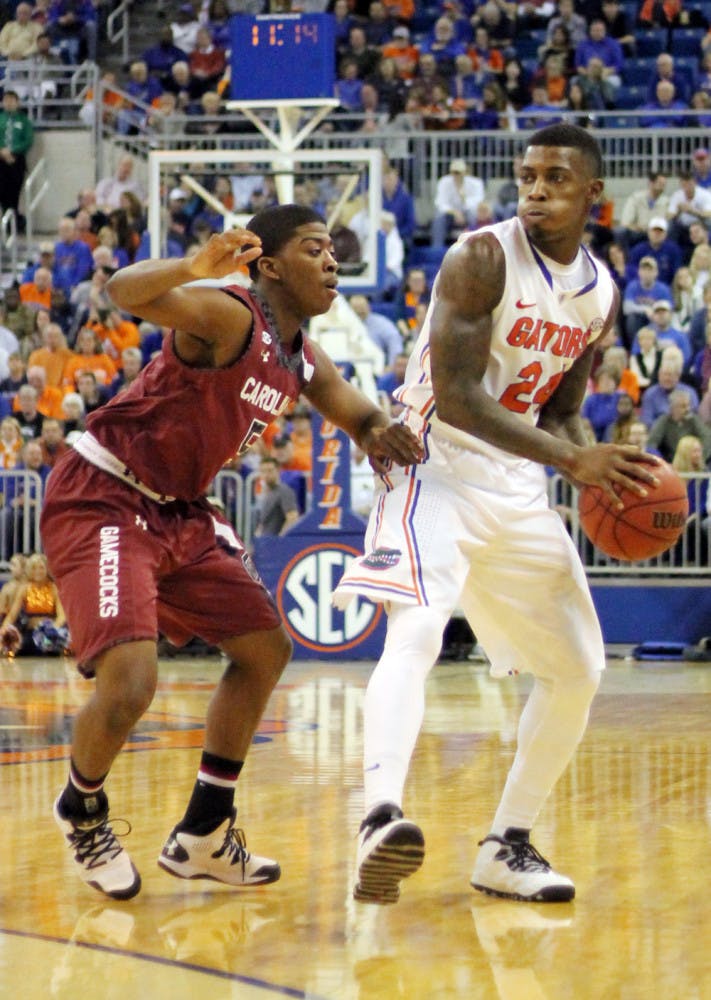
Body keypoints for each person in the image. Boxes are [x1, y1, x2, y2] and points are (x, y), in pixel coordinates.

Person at [34, 204, 423, 902]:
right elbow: (124, 290)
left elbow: (356, 411)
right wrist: (191, 265)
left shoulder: (301, 355)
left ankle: (204, 832)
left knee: (266, 648)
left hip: (180, 511)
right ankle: (81, 808)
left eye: (333, 249)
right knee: (129, 685)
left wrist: (389, 434)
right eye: (313, 249)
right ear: (268, 265)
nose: (332, 261)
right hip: (106, 495)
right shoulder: (230, 314)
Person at [333, 124, 659, 906]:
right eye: (526, 176)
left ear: (593, 196)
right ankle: (379, 817)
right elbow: (457, 395)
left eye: (554, 178)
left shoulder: (599, 292)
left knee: (579, 666)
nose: (535, 189)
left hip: (515, 482)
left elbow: (563, 408)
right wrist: (569, 459)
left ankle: (505, 844)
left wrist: (595, 469)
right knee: (415, 629)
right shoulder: (480, 257)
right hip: (429, 465)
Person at [0, 90, 34, 228]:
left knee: (14, 191)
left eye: (11, 100)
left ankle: (13, 222)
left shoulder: (23, 120)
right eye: (6, 100)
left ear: (17, 102)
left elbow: (28, 140)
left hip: (16, 161)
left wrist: (12, 151)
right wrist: (2, 151)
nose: (8, 103)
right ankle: (5, 219)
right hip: (0, 160)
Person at [254, 456, 300, 537]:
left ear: (278, 470)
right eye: (263, 471)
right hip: (264, 543)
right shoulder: (267, 494)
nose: (266, 474)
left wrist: (279, 541)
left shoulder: (284, 491)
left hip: (274, 543)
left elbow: (292, 517)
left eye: (270, 470)